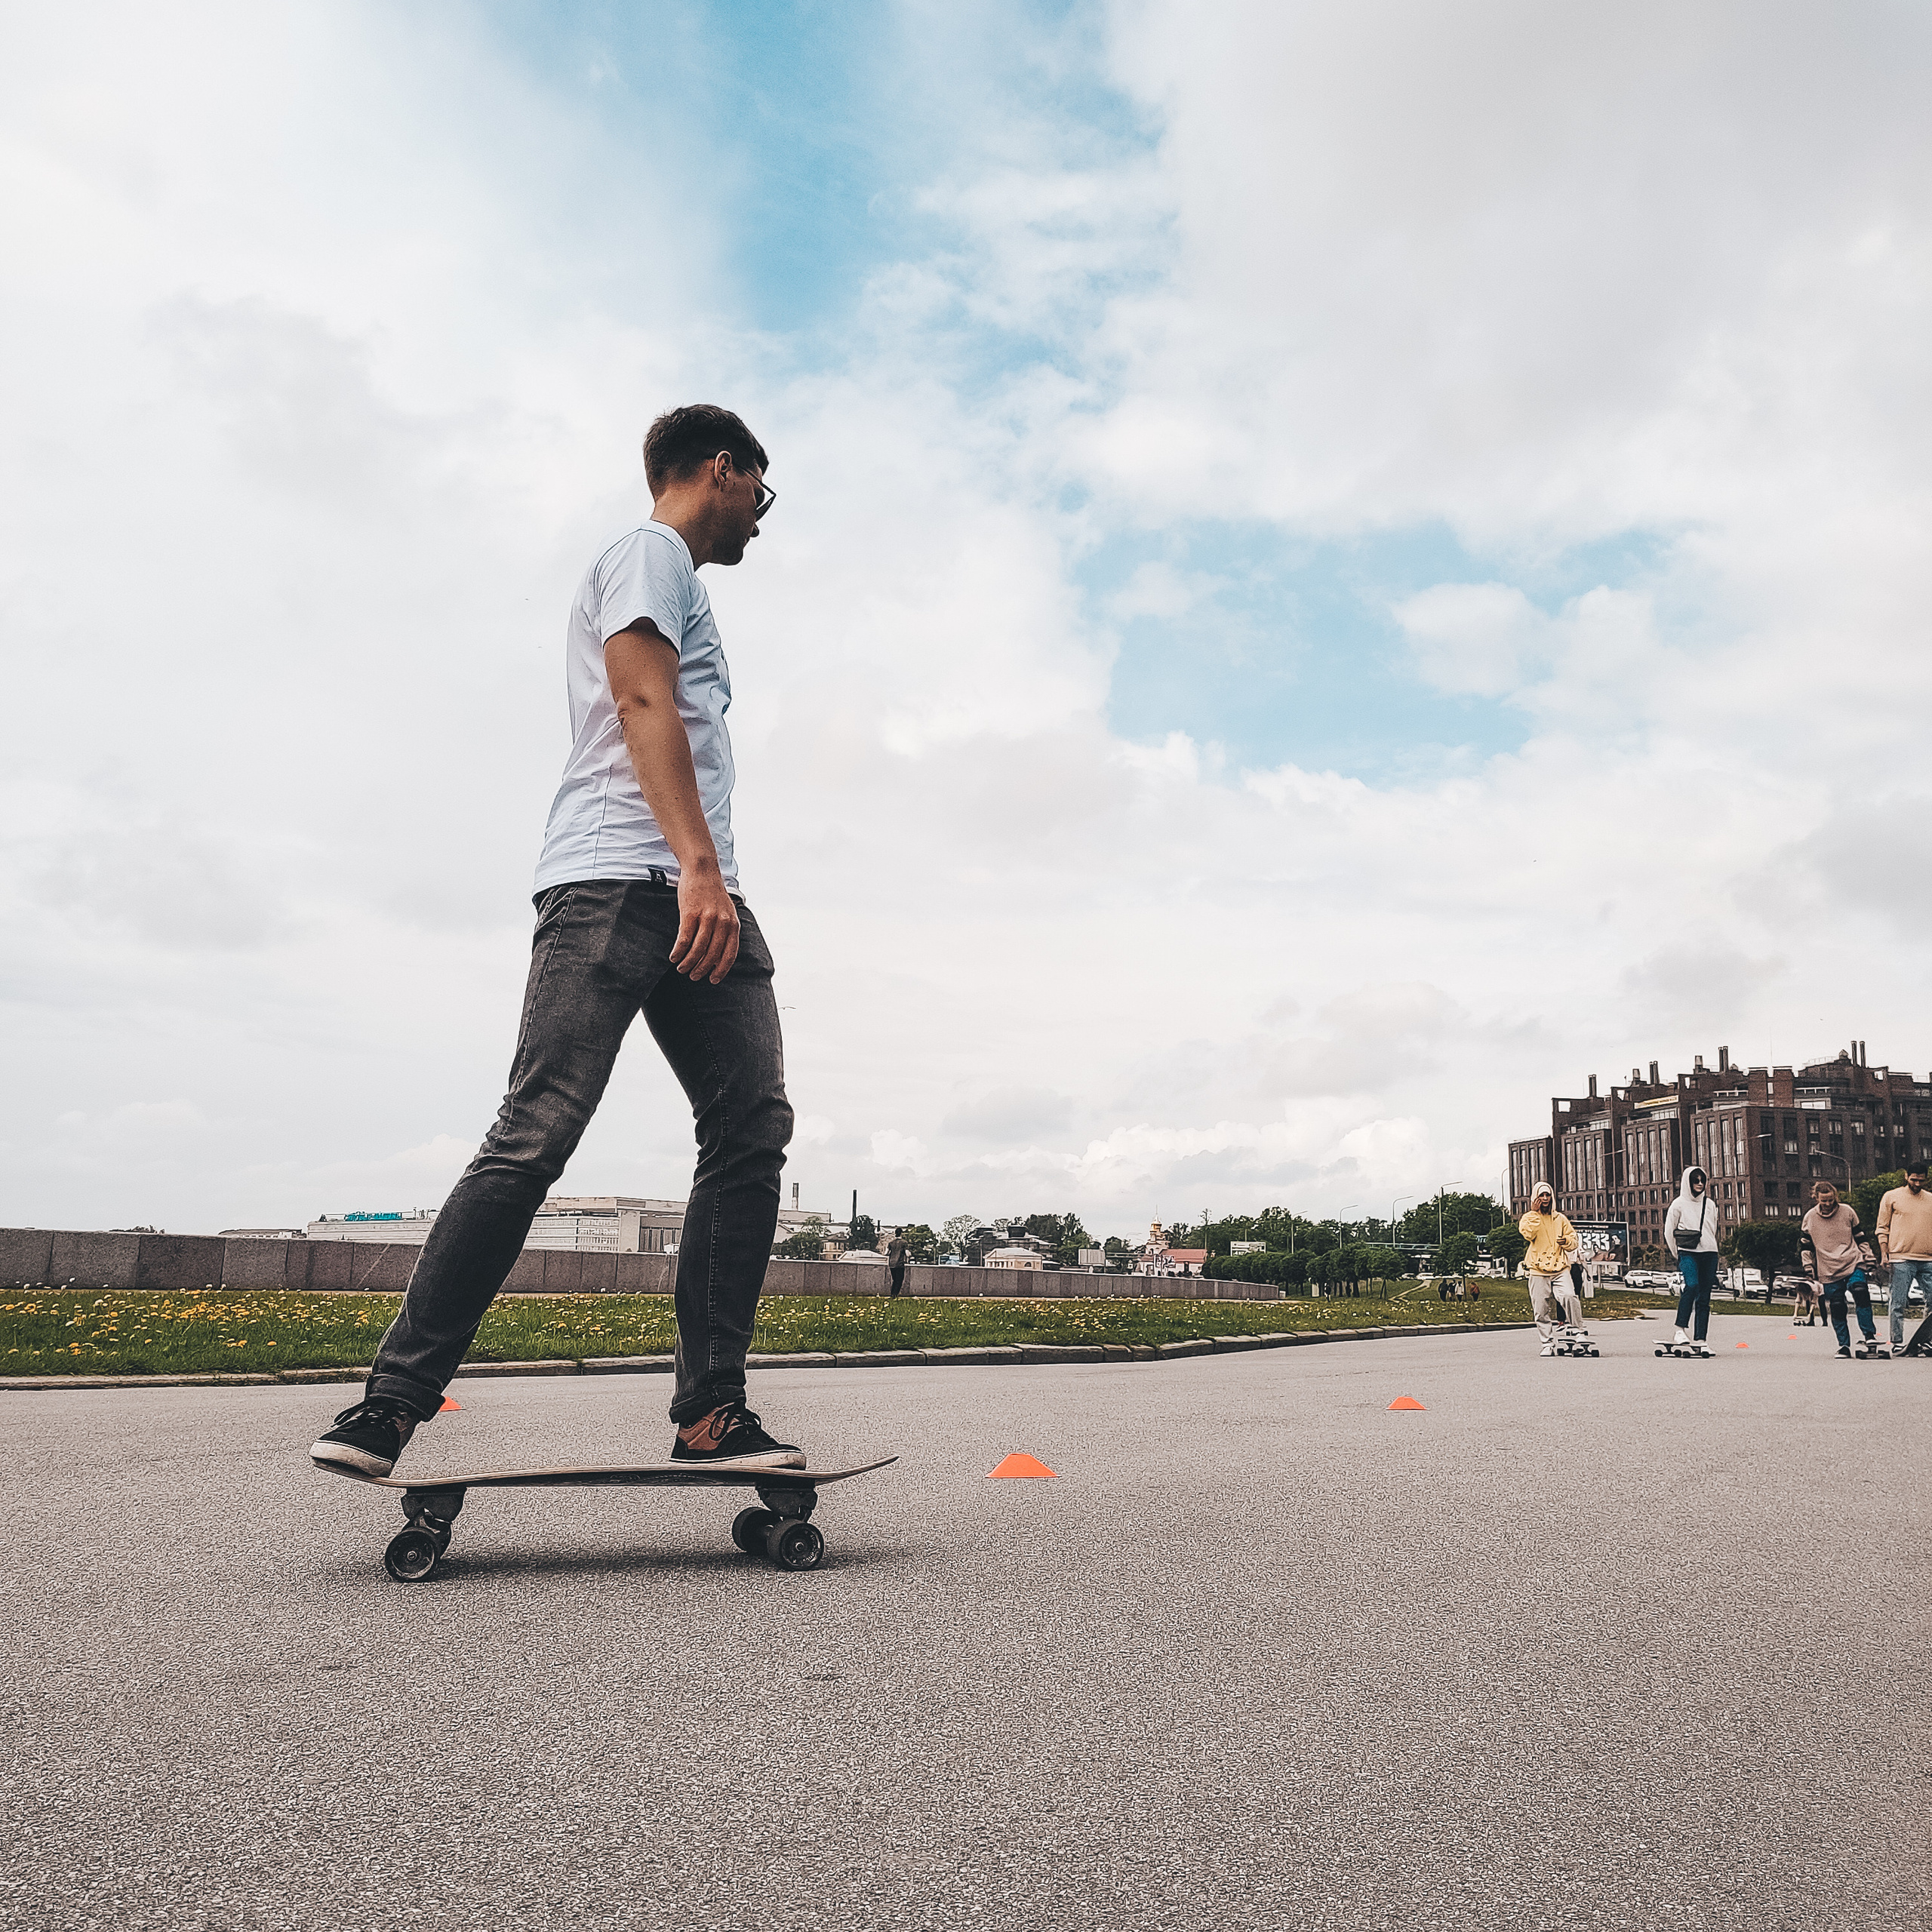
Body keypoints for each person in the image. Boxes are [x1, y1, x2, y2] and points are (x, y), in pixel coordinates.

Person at [312, 405, 802, 1478]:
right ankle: (388, 1407)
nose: (759, 521)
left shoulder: (681, 579)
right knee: (538, 1131)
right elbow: (640, 698)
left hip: (692, 892)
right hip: (621, 884)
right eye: (757, 495)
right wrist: (702, 871)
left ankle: (711, 1412)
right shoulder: (648, 554)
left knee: (751, 1126)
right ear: (720, 469)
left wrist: (709, 878)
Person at [1800, 1181, 1882, 1358]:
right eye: (1824, 1201)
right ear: (1817, 1198)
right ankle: (1844, 1345)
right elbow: (1805, 1246)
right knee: (1837, 1306)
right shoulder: (1810, 1218)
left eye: (1831, 1200)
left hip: (1853, 1261)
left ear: (1835, 1196)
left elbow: (1860, 1237)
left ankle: (1869, 1335)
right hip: (1828, 1269)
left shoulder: (1847, 1211)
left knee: (1860, 1292)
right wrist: (1808, 1267)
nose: (1828, 1204)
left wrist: (1870, 1259)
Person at [1662, 1167, 1721, 1357]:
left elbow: (1714, 1227)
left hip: (1710, 1252)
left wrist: (1711, 1246)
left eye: (1703, 1180)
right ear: (1687, 1182)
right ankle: (1680, 1328)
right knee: (1692, 1285)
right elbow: (1668, 1231)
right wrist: (1677, 1254)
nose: (1700, 1184)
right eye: (1695, 1180)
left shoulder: (1710, 1204)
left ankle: (1701, 1339)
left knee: (1704, 1297)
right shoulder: (1678, 1204)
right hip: (1687, 1252)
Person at [1519, 1183, 1583, 1356]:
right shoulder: (1528, 1218)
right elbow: (1528, 1234)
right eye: (1542, 1196)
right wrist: (1533, 1213)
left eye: (1548, 1195)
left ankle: (1578, 1331)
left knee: (1570, 1296)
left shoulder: (1560, 1219)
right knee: (1541, 1308)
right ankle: (1547, 1343)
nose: (1545, 1199)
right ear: (1535, 1198)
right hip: (1538, 1270)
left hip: (1560, 1268)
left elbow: (1574, 1240)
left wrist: (1567, 1243)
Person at [1878, 1160, 1932, 1356]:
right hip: (1901, 1258)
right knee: (1898, 1302)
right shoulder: (1892, 1197)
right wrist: (1885, 1254)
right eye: (1914, 1180)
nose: (1917, 1184)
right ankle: (1898, 1342)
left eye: (1922, 1181)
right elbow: (1882, 1228)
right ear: (1906, 1177)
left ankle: (1927, 1340)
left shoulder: (1931, 1199)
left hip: (1928, 1259)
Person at [886, 1231, 910, 1299]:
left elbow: (886, 1253)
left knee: (895, 1280)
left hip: (891, 1263)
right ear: (901, 1234)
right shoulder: (904, 1243)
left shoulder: (891, 1243)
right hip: (899, 1264)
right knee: (899, 1280)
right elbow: (907, 1254)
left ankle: (892, 1294)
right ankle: (895, 1295)